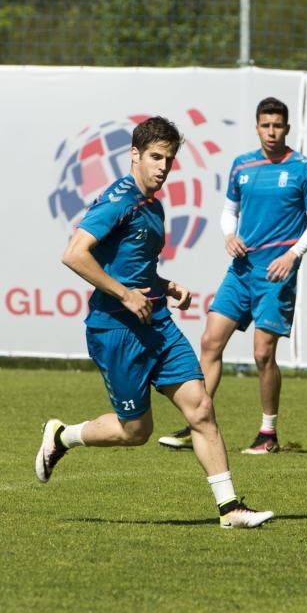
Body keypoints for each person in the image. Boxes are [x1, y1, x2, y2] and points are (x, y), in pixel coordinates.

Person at [35, 116, 273, 529]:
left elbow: (132, 267)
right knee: (135, 432)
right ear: (135, 156)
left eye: (170, 158)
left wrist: (165, 285)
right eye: (155, 157)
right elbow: (74, 253)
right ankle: (62, 436)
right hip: (116, 330)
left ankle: (230, 507)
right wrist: (125, 295)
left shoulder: (155, 205)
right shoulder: (118, 200)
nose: (163, 166)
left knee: (200, 407)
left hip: (156, 323)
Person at [158, 97, 307, 455]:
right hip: (241, 271)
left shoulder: (303, 168)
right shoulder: (242, 165)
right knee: (210, 342)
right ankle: (197, 421)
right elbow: (229, 210)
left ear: (287, 128)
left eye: (277, 125)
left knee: (263, 355)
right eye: (265, 125)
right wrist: (229, 235)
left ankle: (268, 433)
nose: (271, 131)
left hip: (275, 275)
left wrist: (293, 254)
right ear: (256, 127)